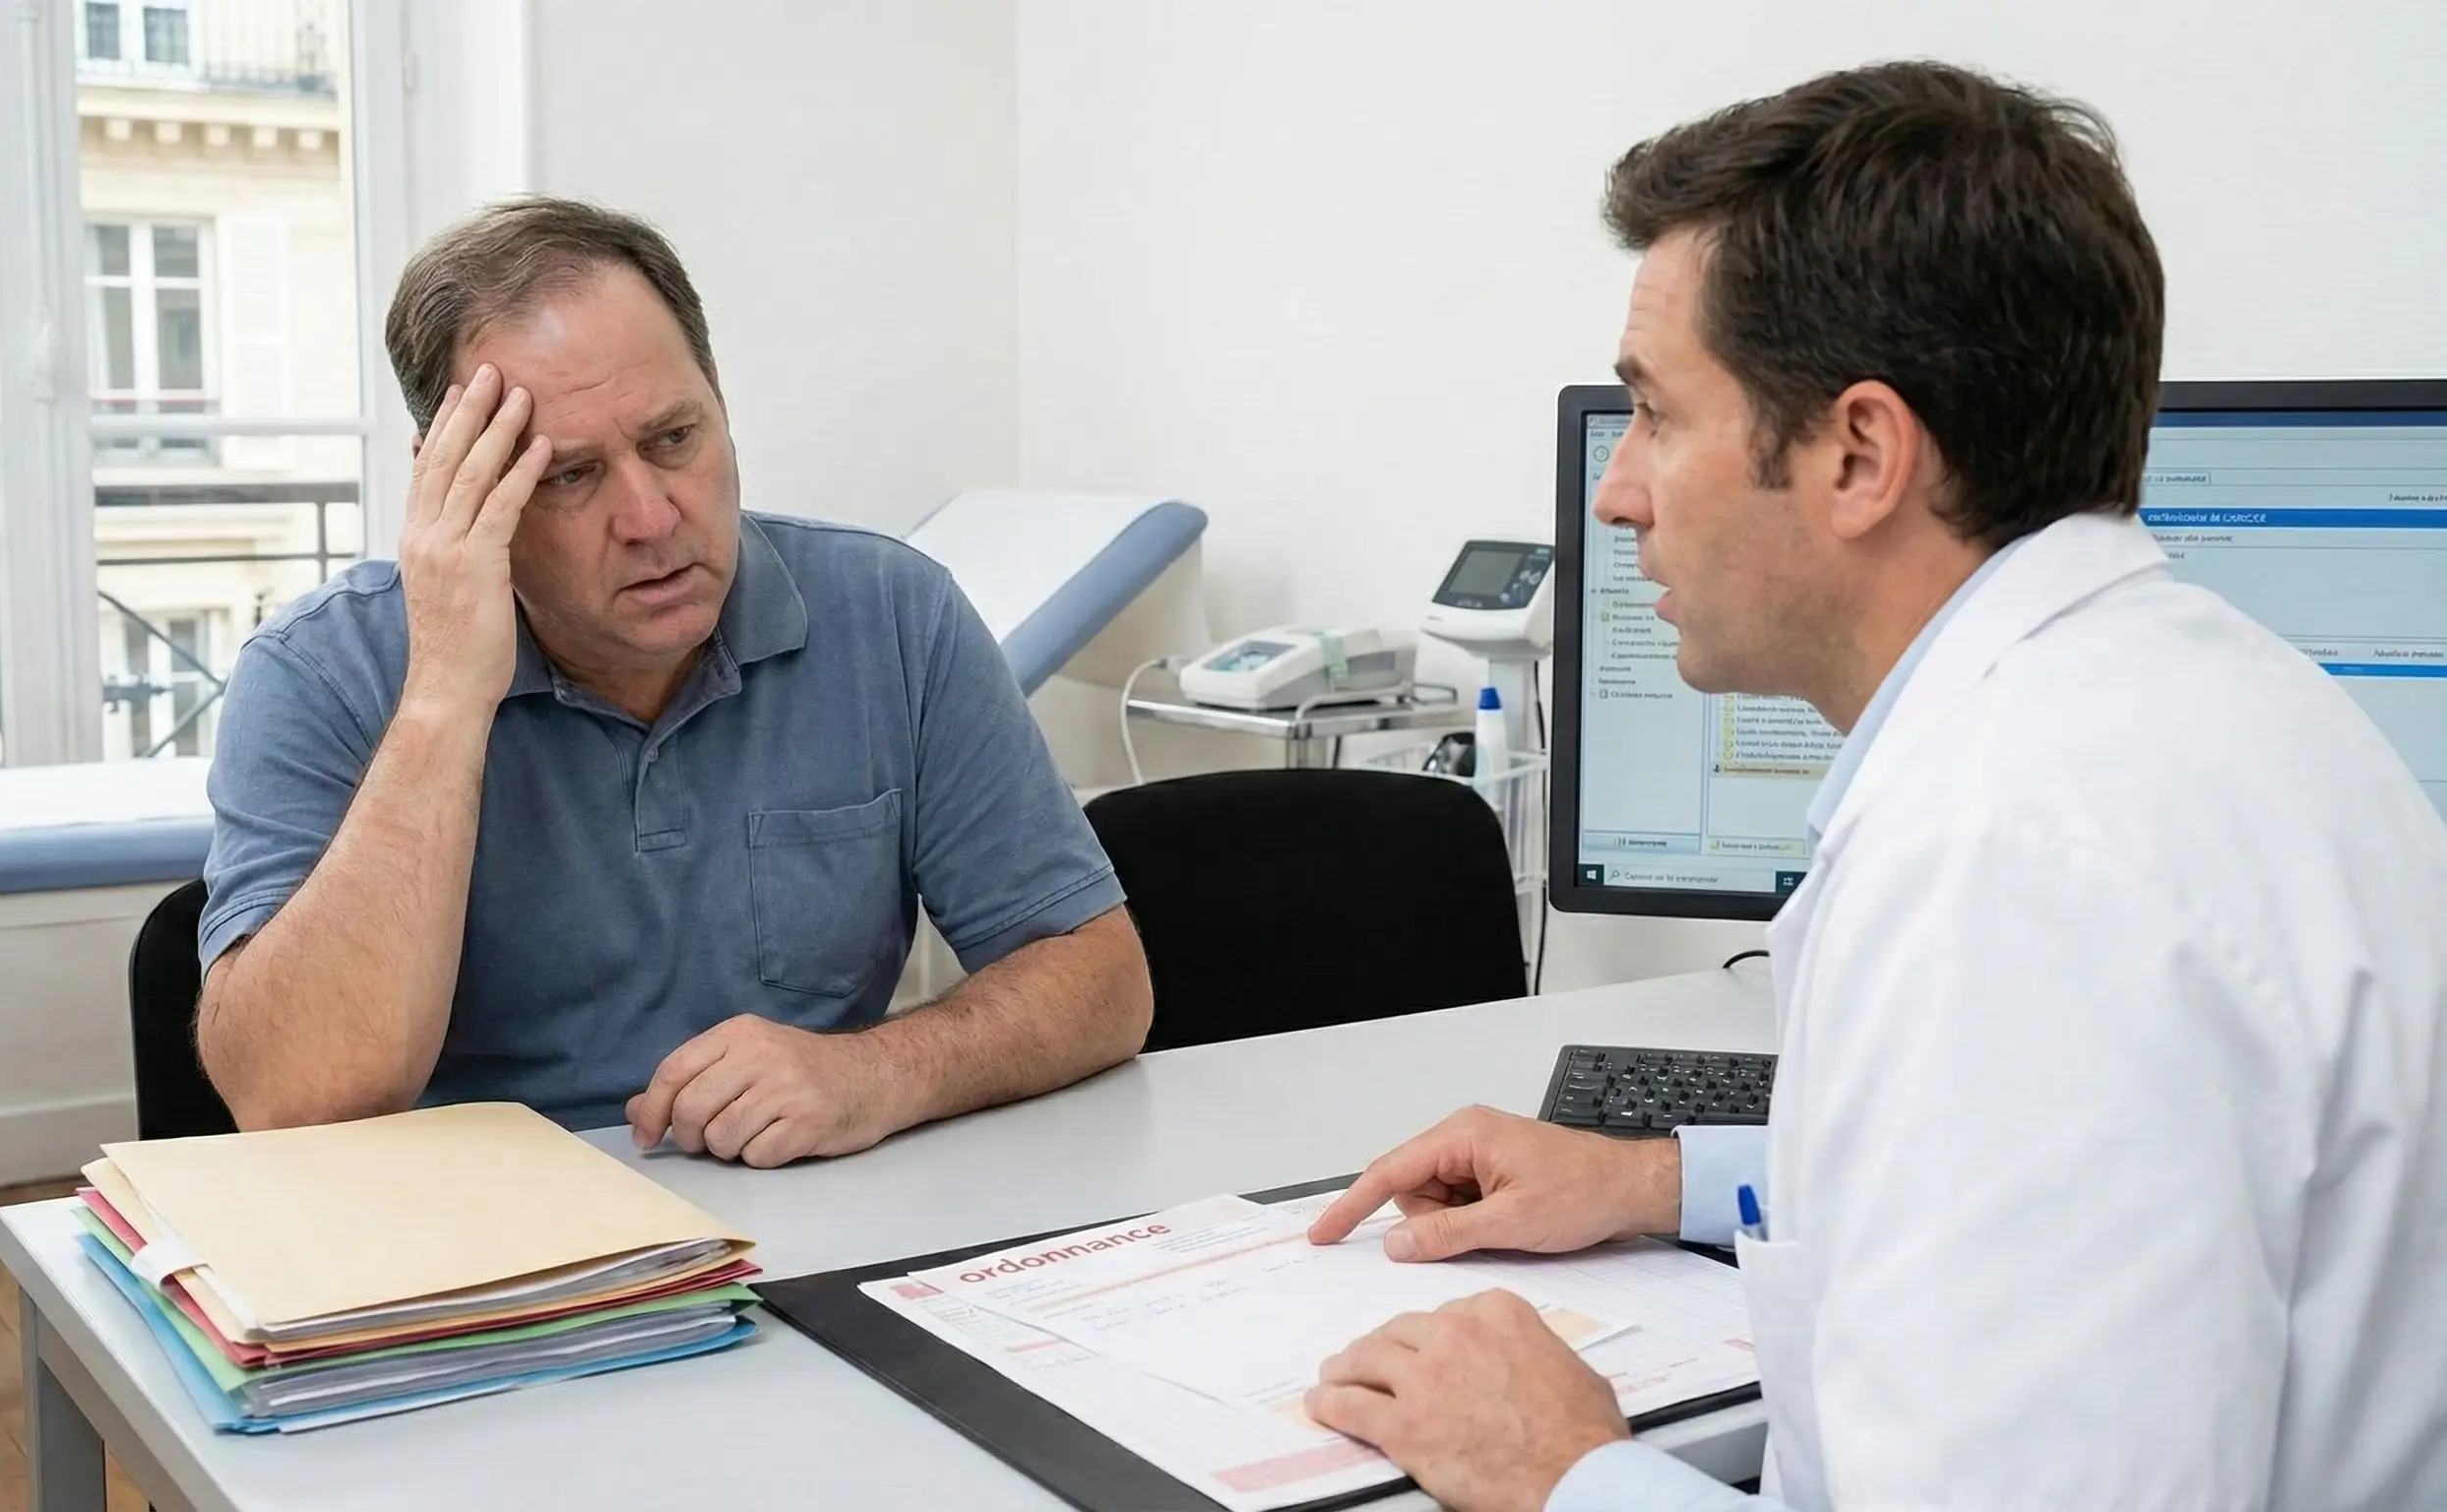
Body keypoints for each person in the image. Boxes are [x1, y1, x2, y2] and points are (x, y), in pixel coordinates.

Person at [1303, 61, 2447, 1512]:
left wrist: (1561, 1474)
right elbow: (2035, 1209)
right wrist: (1655, 1181)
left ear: (1857, 454)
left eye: (1656, 414)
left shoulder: (2017, 865)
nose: (1616, 491)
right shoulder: (2195, 698)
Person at [195, 198, 1154, 1164]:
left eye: (673, 439)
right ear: (459, 483)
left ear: (720, 403)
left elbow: (1102, 982)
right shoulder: (320, 671)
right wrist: (446, 693)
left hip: (802, 1215)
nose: (652, 517)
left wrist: (880, 1070)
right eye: (570, 476)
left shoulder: (893, 614)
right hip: (482, 1248)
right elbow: (291, 1100)